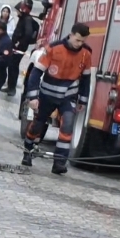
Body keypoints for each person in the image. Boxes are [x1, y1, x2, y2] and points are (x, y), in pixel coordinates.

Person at [23, 23, 94, 174]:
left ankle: (59, 162)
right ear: (71, 35)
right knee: (37, 125)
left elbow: (86, 79)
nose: (79, 44)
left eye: (83, 41)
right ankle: (27, 151)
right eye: (77, 40)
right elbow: (36, 73)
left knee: (67, 125)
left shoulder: (86, 53)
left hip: (68, 96)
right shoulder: (54, 48)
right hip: (47, 95)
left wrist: (83, 100)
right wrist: (33, 96)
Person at [6, 0, 41, 95]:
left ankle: (12, 88)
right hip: (16, 47)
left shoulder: (27, 20)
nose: (17, 12)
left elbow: (28, 34)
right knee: (11, 66)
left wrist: (20, 43)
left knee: (13, 66)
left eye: (18, 10)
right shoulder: (24, 18)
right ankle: (10, 86)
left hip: (19, 49)